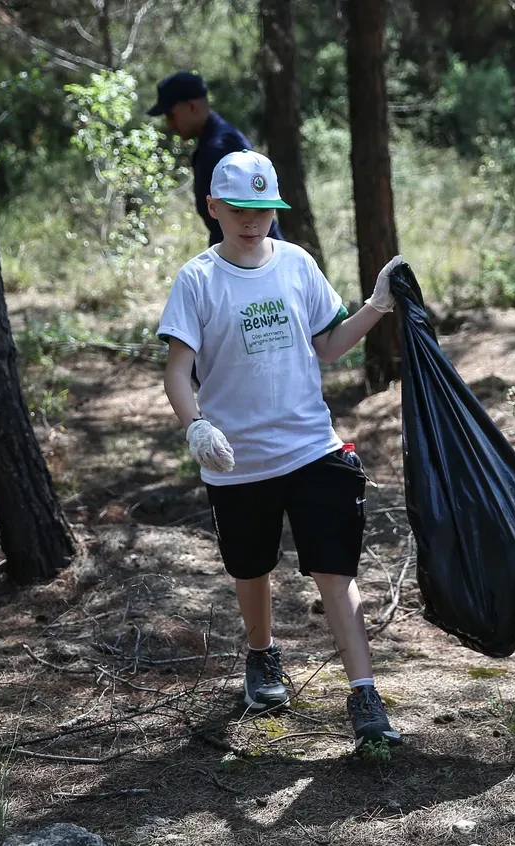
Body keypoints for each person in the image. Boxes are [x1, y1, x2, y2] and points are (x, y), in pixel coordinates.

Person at [157, 150, 403, 749]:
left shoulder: (296, 264)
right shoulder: (198, 280)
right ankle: (262, 655)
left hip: (310, 446)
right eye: (240, 208)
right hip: (236, 462)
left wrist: (375, 307)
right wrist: (195, 425)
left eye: (264, 209)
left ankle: (364, 694)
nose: (252, 220)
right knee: (251, 567)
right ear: (213, 207)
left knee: (334, 568)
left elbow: (327, 345)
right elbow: (177, 370)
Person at [148, 71, 284, 247]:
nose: (169, 124)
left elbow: (249, 216)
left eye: (171, 115)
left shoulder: (220, 147)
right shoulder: (215, 141)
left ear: (191, 107)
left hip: (252, 258)